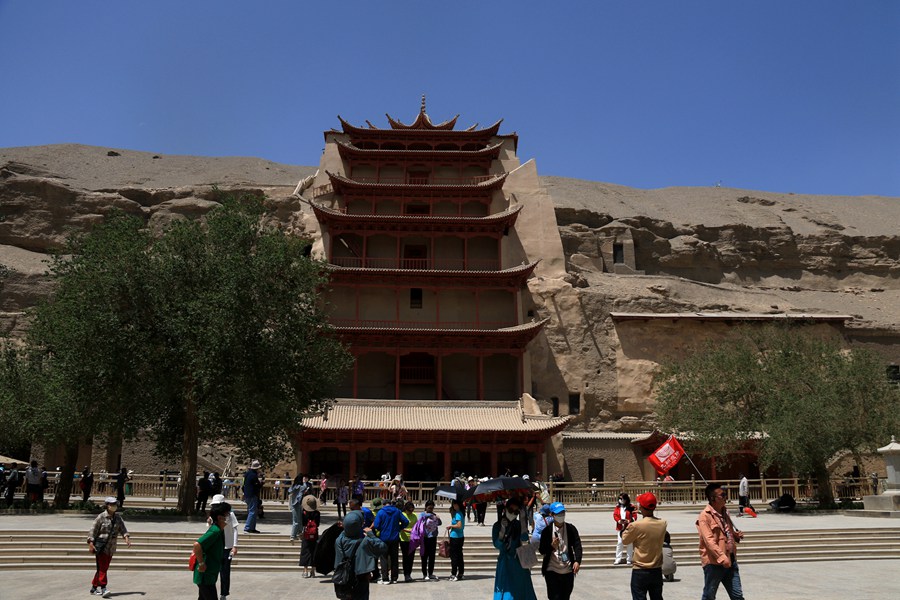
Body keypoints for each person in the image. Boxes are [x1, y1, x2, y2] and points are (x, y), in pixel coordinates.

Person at [697, 483, 746, 600]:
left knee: (737, 596)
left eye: (725, 494)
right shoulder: (704, 516)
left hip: (731, 559)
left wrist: (735, 536)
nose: (725, 497)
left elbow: (727, 532)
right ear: (712, 498)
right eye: (722, 495)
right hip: (714, 562)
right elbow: (709, 541)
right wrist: (722, 557)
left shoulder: (725, 512)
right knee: (709, 595)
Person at [621, 492, 667, 600]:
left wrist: (629, 522)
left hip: (640, 569)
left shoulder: (636, 525)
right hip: (656, 569)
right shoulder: (663, 523)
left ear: (641, 507)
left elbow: (625, 540)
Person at [334, 508, 387, 600]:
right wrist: (371, 535)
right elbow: (383, 547)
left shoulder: (339, 540)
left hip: (343, 577)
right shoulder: (365, 542)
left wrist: (347, 526)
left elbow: (345, 532)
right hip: (361, 578)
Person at [492, 496, 537, 600]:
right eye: (511, 510)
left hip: (519, 562)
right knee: (506, 591)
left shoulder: (518, 524)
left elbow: (524, 541)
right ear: (505, 509)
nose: (513, 513)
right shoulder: (497, 525)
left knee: (521, 590)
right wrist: (502, 532)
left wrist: (523, 523)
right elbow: (497, 545)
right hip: (505, 563)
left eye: (516, 512)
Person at [88, 496, 132, 597]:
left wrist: (126, 538)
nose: (114, 506)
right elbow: (93, 531)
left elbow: (123, 529)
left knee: (102, 568)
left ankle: (94, 588)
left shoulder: (118, 518)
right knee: (103, 568)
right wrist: (91, 543)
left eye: (115, 504)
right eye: (112, 504)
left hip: (111, 547)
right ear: (107, 505)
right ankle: (103, 588)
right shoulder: (101, 517)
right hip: (101, 547)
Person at [538, 502, 582, 600]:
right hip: (552, 569)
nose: (561, 516)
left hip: (568, 569)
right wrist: (551, 546)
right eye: (558, 514)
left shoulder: (571, 529)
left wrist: (577, 561)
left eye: (562, 513)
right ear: (552, 515)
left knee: (565, 597)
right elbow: (541, 550)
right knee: (554, 597)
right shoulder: (547, 531)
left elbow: (577, 545)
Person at [193, 501, 228, 600]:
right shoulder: (215, 531)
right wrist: (201, 563)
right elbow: (197, 545)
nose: (229, 517)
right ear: (220, 518)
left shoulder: (219, 531)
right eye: (227, 515)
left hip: (210, 575)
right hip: (205, 576)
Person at [209, 495, 238, 600]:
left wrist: (235, 546)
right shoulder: (213, 515)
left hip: (227, 547)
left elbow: (235, 529)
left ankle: (224, 594)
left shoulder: (230, 515)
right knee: (212, 571)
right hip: (216, 547)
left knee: (225, 572)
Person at [373, 497, 409, 584]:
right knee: (394, 558)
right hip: (395, 538)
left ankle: (385, 578)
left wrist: (382, 528)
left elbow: (376, 525)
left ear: (383, 504)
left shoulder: (381, 512)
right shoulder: (397, 511)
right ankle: (394, 578)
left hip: (383, 538)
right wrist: (399, 528)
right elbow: (406, 521)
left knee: (384, 558)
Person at [418, 499, 442, 580]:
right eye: (429, 508)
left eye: (432, 508)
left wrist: (438, 518)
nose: (430, 510)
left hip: (433, 538)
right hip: (424, 538)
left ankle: (430, 573)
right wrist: (428, 516)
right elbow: (419, 522)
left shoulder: (434, 515)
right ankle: (425, 574)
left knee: (432, 556)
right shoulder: (422, 515)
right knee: (424, 557)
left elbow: (439, 523)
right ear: (426, 507)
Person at [299, 495, 321, 578]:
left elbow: (303, 524)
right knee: (314, 551)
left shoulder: (304, 513)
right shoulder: (317, 513)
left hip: (306, 534)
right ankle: (313, 571)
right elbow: (317, 524)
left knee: (305, 551)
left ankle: (305, 571)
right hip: (314, 534)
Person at [614, 492, 638, 565]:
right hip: (620, 527)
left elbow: (634, 516)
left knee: (629, 543)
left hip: (629, 527)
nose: (621, 500)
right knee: (620, 543)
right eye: (620, 499)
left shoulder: (631, 506)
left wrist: (629, 520)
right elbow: (615, 515)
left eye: (622, 499)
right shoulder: (617, 507)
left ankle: (629, 559)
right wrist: (619, 520)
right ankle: (618, 558)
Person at [447, 498, 466, 581]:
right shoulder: (460, 513)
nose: (453, 506)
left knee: (454, 556)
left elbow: (459, 525)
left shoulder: (458, 513)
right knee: (459, 555)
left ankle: (453, 573)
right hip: (460, 536)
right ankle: (461, 572)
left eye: (454, 504)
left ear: (457, 505)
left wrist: (450, 526)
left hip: (455, 537)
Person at [399, 501, 417, 582]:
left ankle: (409, 573)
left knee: (411, 557)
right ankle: (406, 574)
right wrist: (409, 530)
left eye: (412, 510)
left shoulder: (414, 515)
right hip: (404, 539)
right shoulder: (402, 515)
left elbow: (417, 526)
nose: (411, 512)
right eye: (409, 510)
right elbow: (400, 526)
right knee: (405, 557)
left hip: (412, 539)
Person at [242, 460, 263, 533]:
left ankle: (252, 528)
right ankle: (248, 527)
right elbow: (257, 485)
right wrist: (261, 483)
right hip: (252, 495)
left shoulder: (247, 474)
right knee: (252, 511)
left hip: (247, 494)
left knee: (253, 511)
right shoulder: (253, 475)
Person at [289, 474, 307, 541]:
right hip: (296, 505)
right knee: (296, 521)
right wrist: (304, 482)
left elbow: (289, 491)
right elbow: (304, 487)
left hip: (295, 505)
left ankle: (299, 533)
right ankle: (293, 536)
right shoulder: (300, 487)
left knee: (299, 520)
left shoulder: (294, 486)